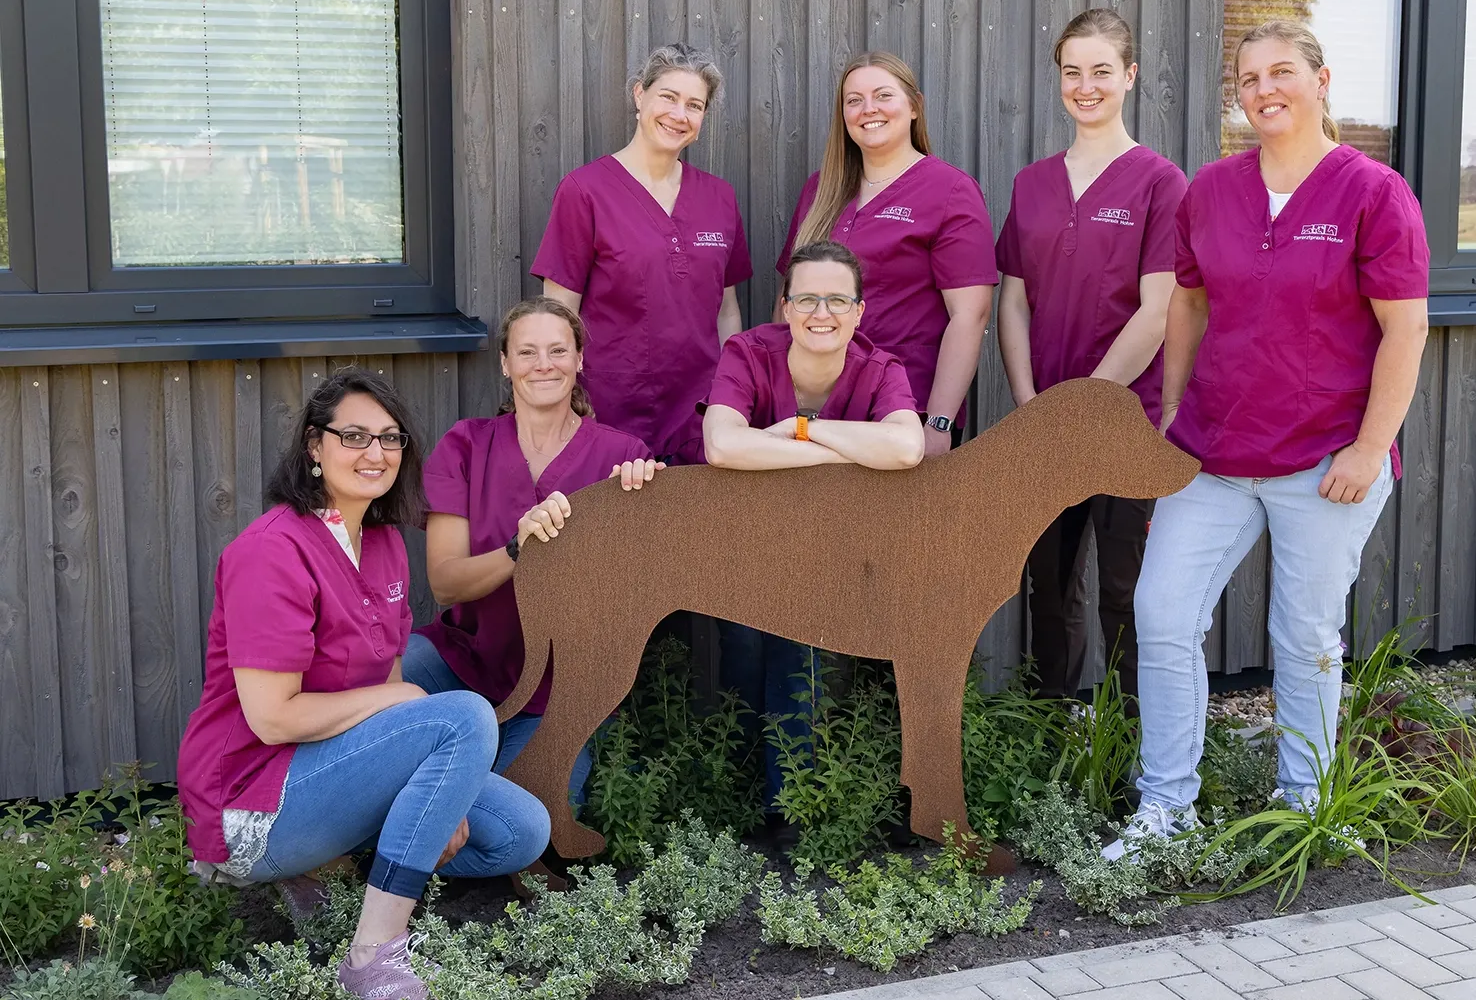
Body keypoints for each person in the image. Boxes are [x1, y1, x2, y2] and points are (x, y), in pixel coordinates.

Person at [1104, 21, 1430, 859]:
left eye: (1280, 72)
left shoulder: (1372, 192)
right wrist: (1170, 413)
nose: (1262, 90)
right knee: (1163, 614)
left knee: (1303, 634)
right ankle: (1164, 809)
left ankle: (1304, 808)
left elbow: (1404, 329)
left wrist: (1367, 449)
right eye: (1247, 78)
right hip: (1213, 453)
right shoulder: (1210, 190)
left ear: (1322, 80)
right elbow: (1186, 302)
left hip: (1324, 459)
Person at [176, 369, 550, 1000]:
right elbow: (272, 718)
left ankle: (328, 868)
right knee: (464, 716)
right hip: (250, 804)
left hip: (333, 778)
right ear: (313, 449)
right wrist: (404, 703)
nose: (375, 453)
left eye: (390, 438)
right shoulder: (270, 551)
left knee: (521, 831)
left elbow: (390, 685)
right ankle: (374, 955)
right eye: (353, 436)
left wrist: (443, 791)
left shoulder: (382, 544)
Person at [996, 8, 1187, 702]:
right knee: (1047, 590)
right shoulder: (1032, 183)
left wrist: (1085, 405)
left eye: (1101, 71)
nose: (1085, 85)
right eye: (1072, 72)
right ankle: (1051, 747)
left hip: (1125, 421)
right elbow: (1011, 300)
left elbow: (1158, 308)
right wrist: (1030, 406)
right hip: (1044, 422)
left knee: (1122, 592)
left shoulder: (1159, 182)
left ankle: (1133, 759)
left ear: (1128, 77)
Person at [404, 296, 661, 799]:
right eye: (526, 352)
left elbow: (637, 601)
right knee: (379, 686)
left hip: (559, 692)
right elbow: (445, 583)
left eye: (558, 350)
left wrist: (642, 515)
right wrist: (517, 547)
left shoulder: (623, 459)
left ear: (580, 359)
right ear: (505, 363)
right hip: (460, 663)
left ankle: (433, 821)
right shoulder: (466, 446)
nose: (543, 364)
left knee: (530, 811)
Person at [702, 241, 923, 816]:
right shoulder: (747, 352)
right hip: (743, 542)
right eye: (806, 299)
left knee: (804, 661)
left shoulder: (880, 367)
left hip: (831, 548)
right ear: (785, 306)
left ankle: (789, 810)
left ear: (858, 311)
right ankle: (735, 801)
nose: (820, 313)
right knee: (744, 657)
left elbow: (905, 446)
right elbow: (722, 446)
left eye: (835, 300)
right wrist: (847, 451)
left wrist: (797, 429)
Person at [531, 43, 751, 462]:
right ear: (639, 95)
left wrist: (732, 391)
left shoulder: (719, 197)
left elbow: (726, 310)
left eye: (694, 105)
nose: (679, 114)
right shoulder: (585, 191)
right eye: (668, 97)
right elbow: (557, 314)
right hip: (609, 407)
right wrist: (568, 404)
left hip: (700, 411)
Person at [776, 51, 996, 458]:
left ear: (914, 106)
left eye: (883, 95)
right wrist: (776, 403)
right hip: (817, 418)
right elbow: (786, 305)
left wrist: (938, 423)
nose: (868, 109)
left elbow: (971, 315)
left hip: (902, 418)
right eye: (853, 100)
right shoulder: (821, 189)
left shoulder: (949, 191)